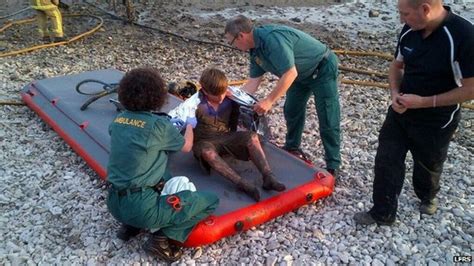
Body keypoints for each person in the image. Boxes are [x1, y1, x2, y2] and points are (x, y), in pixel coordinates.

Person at [354, 0, 474, 225]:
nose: (401, 19)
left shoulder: (463, 35)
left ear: (426, 9)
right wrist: (395, 93)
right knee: (387, 159)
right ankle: (383, 212)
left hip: (438, 118)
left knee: (428, 164)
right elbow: (396, 66)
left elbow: (470, 89)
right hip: (402, 109)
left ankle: (427, 195)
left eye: (405, 14)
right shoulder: (410, 29)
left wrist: (424, 102)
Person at [106, 67, 219, 262]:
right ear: (157, 96)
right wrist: (190, 125)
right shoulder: (159, 126)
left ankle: (130, 227)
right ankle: (161, 240)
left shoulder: (118, 119)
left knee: (163, 172)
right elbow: (186, 146)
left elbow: (134, 141)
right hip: (141, 208)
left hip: (114, 203)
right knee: (209, 200)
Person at [224, 15, 341, 178]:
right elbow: (252, 84)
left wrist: (269, 100)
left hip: (322, 69)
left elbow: (290, 73)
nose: (233, 46)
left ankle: (333, 164)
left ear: (241, 36)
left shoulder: (272, 40)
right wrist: (229, 96)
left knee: (328, 117)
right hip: (298, 76)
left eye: (232, 42)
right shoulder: (254, 51)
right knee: (292, 110)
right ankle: (292, 147)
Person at [192, 68, 286, 202]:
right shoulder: (195, 105)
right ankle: (241, 183)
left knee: (252, 137)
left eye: (222, 94)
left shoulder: (230, 100)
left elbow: (235, 120)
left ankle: (268, 176)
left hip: (224, 135)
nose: (220, 98)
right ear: (204, 90)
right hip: (204, 141)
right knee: (208, 152)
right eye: (215, 95)